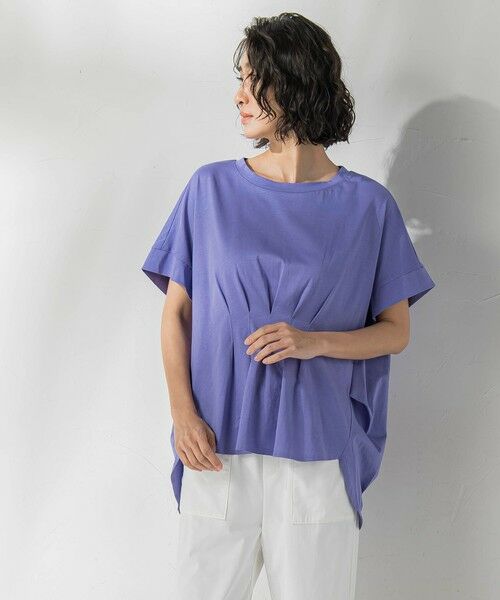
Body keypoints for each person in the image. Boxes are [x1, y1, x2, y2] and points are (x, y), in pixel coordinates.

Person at [141, 12, 436, 600]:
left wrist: (313, 341)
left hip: (317, 455)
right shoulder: (210, 190)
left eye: (255, 81)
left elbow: (395, 331)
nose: (239, 95)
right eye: (241, 80)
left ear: (296, 83)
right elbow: (176, 314)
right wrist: (182, 414)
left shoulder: (368, 207)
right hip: (216, 446)